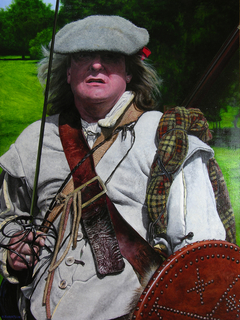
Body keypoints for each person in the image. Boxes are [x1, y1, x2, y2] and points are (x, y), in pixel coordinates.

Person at [0, 15, 235, 320]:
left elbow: (202, 257)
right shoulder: (34, 139)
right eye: (84, 56)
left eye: (110, 57)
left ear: (129, 72)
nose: (96, 66)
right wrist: (14, 249)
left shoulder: (166, 139)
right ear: (68, 72)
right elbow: (8, 215)